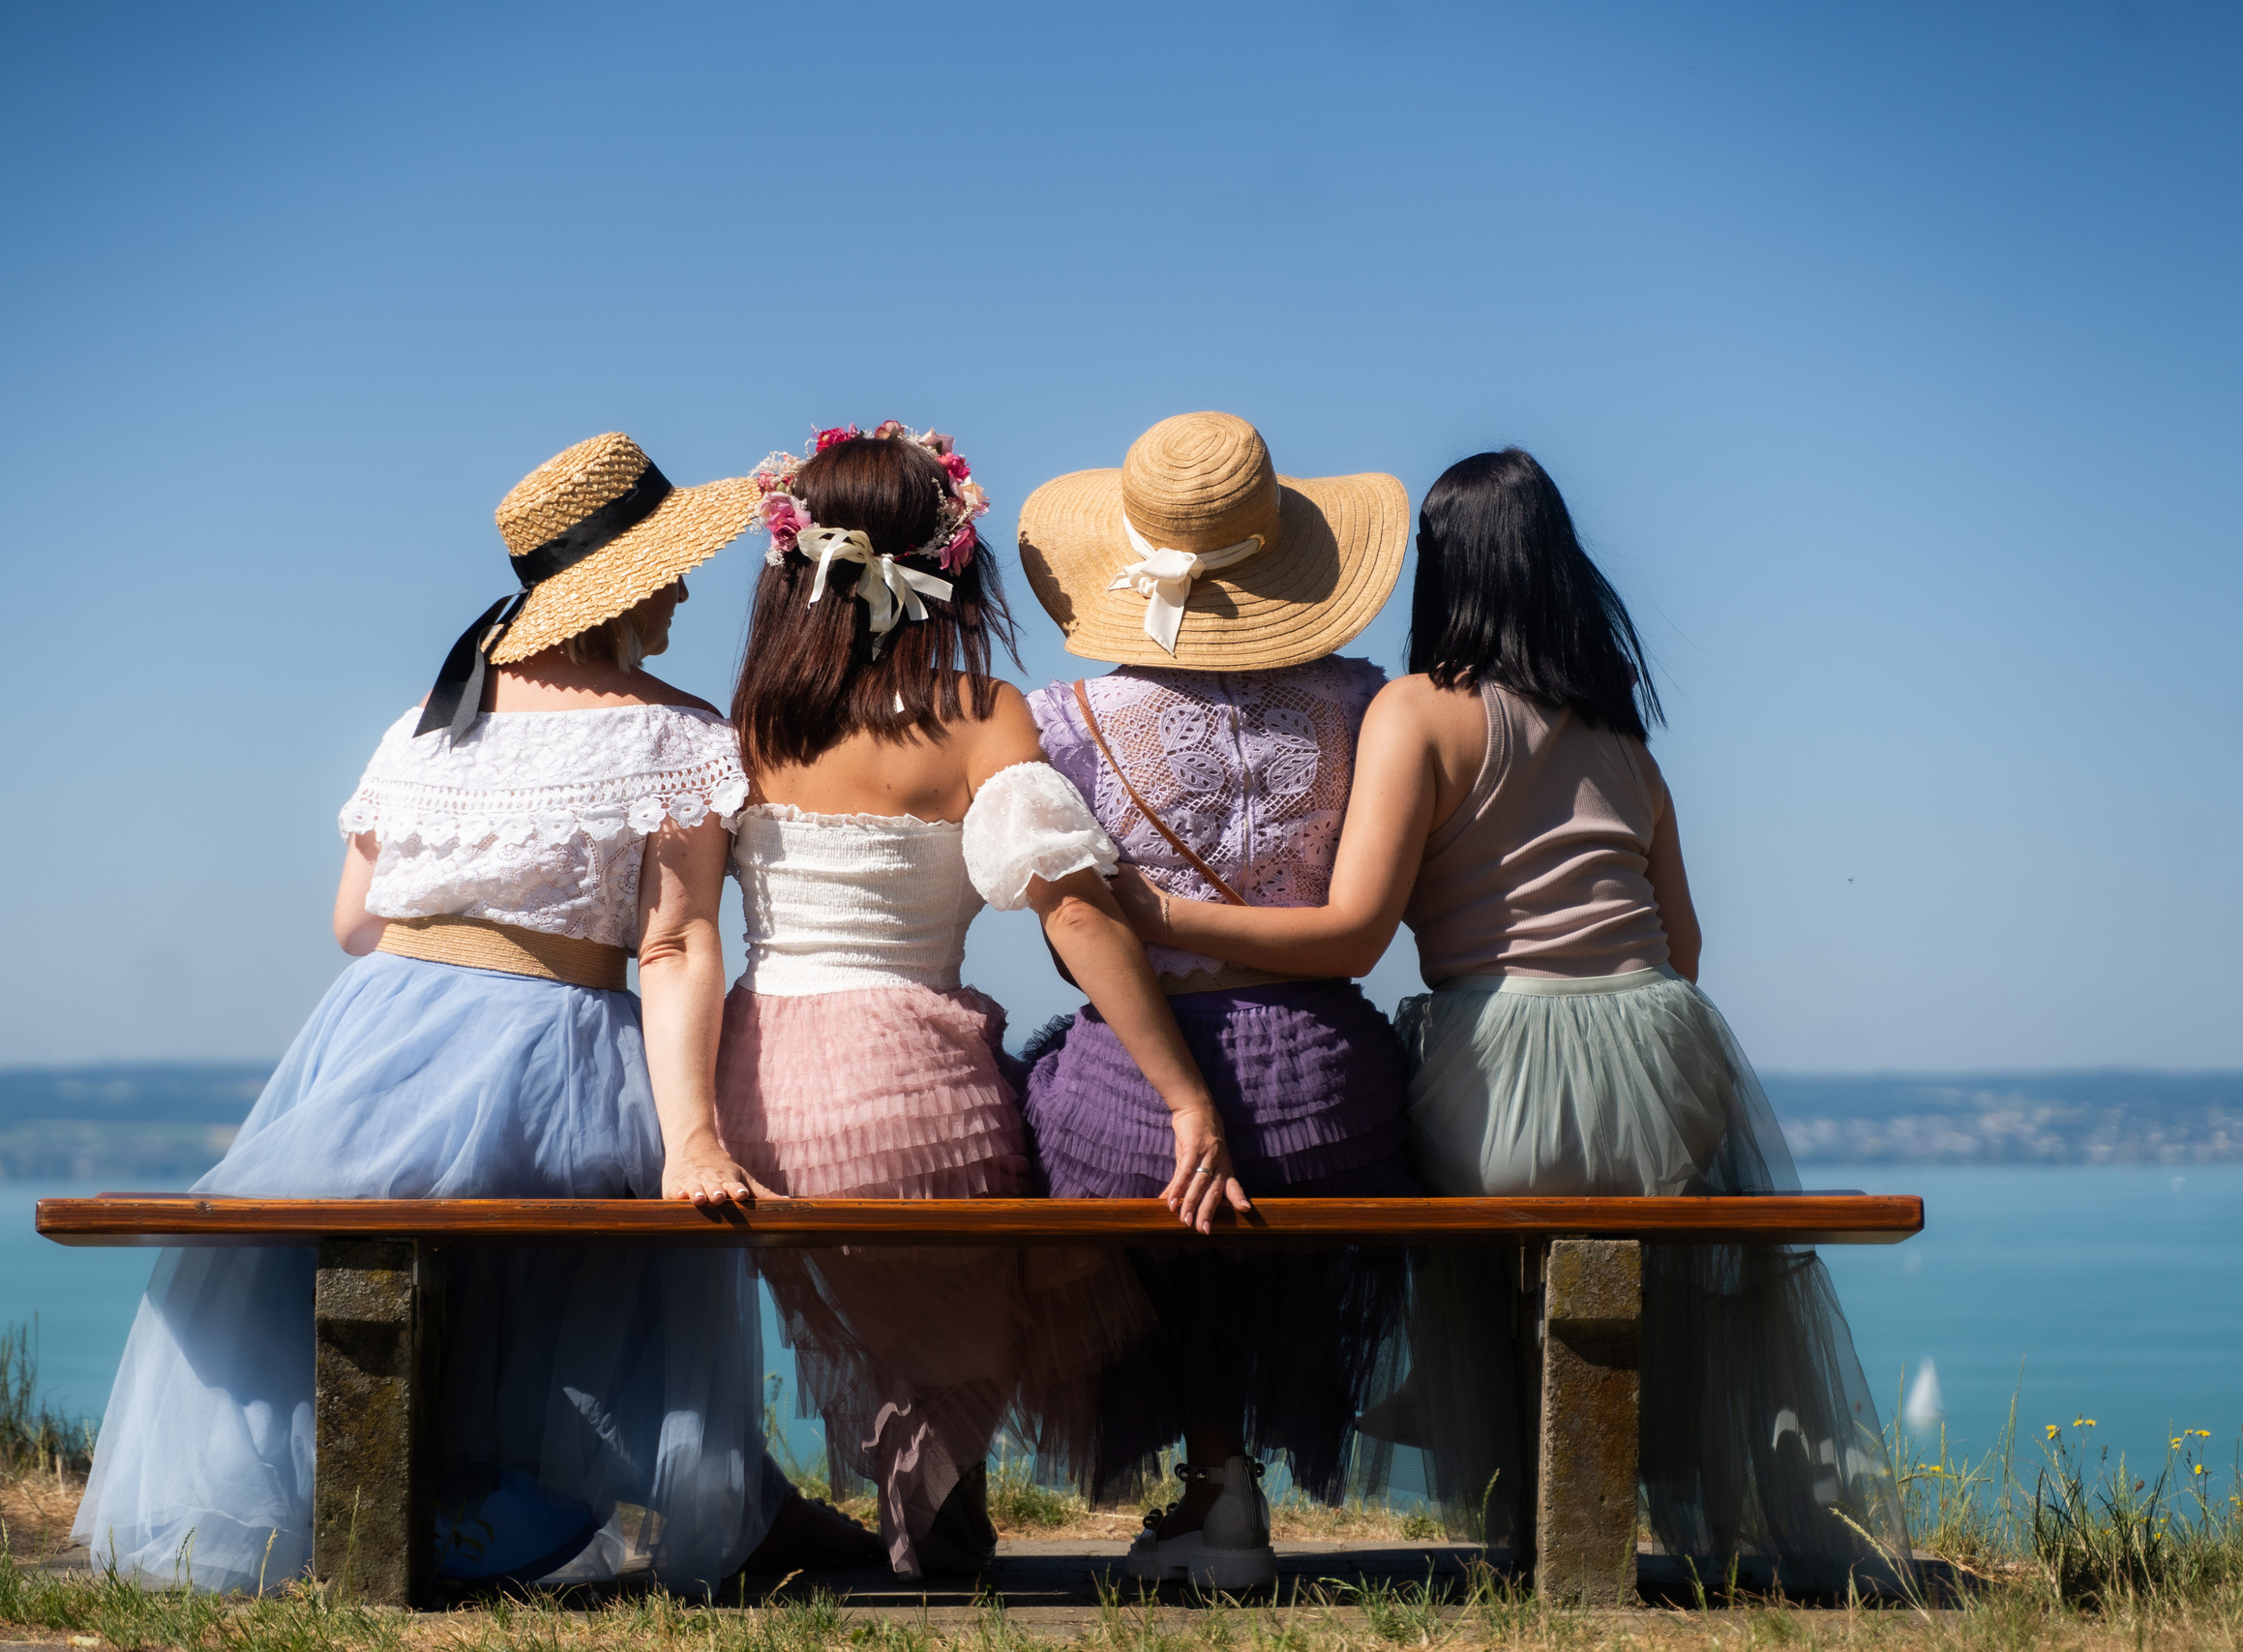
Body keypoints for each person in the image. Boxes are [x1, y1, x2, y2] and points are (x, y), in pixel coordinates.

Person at [74, 433, 874, 1595]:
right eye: (670, 569)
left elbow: (354, 922)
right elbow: (673, 944)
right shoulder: (674, 733)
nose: (686, 593)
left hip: (372, 1043)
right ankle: (687, 1504)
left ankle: (446, 1499)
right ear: (622, 585)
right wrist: (694, 1136)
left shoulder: (423, 722)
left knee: (382, 1227)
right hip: (556, 1040)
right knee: (608, 1226)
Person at [1114, 447, 1908, 1590]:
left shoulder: (1416, 713)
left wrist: (1160, 913)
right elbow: (1683, 949)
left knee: (1359, 1112)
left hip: (1502, 1073)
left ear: (1443, 570)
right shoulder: (1621, 738)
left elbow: (1351, 935)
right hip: (1667, 1068)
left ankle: (1423, 1450)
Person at [710, 422, 1228, 1578]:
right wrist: (1184, 1095)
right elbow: (1074, 914)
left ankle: (914, 1508)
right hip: (904, 1074)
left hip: (752, 1086)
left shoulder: (745, 728)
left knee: (909, 1302)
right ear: (950, 562)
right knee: (996, 1282)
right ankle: (939, 1516)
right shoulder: (981, 713)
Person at [1015, 411, 1421, 1590]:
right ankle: (1231, 1479)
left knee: (1061, 1112)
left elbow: (1078, 953)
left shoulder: (1063, 724)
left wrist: (1154, 922)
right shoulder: (1362, 702)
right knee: (1279, 1219)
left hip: (1135, 1095)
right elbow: (1363, 926)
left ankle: (1210, 1478)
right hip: (1330, 1092)